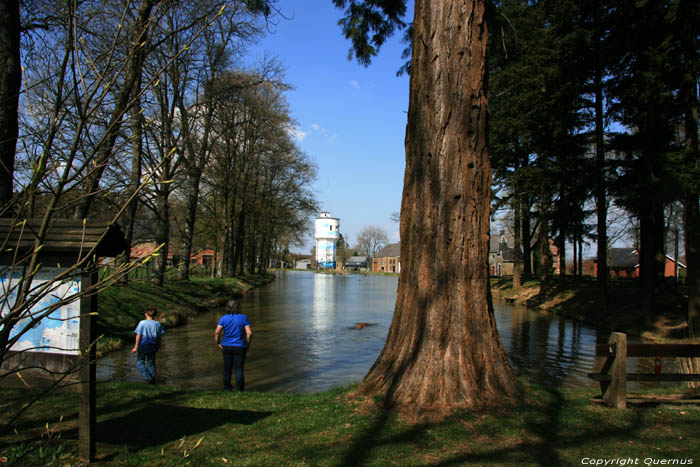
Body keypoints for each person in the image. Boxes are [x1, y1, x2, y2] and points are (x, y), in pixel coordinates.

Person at [214, 298, 252, 391]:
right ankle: (240, 390)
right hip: (240, 346)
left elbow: (216, 332)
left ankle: (227, 388)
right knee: (239, 369)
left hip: (226, 346)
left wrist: (218, 343)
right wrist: (247, 344)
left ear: (227, 308)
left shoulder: (223, 318)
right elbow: (249, 333)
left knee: (227, 369)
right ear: (238, 308)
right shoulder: (243, 317)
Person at [131, 306, 165, 384]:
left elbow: (138, 335)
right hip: (153, 346)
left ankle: (146, 377)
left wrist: (135, 347)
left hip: (143, 345)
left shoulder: (142, 323)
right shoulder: (157, 324)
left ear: (145, 314)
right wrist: (159, 345)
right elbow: (159, 337)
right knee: (151, 363)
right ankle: (152, 381)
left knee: (140, 362)